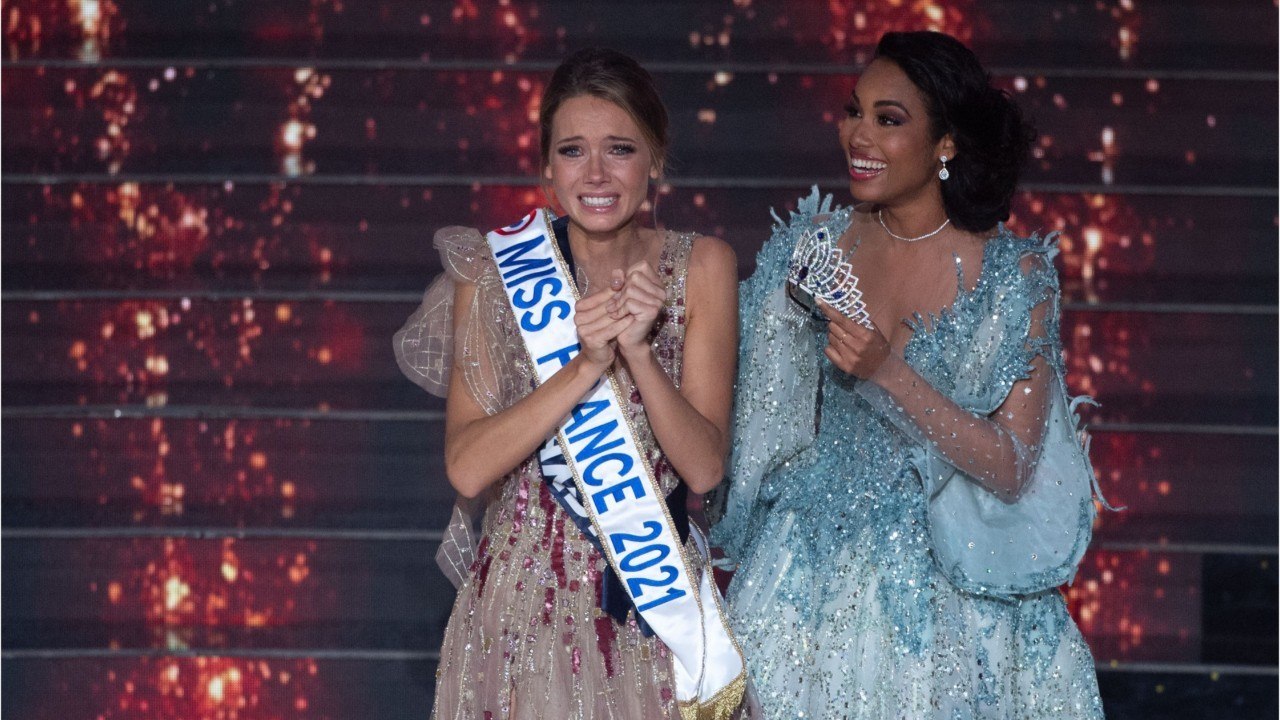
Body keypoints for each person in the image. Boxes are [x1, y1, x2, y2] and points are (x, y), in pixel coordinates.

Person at [713, 31, 1110, 718]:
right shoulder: (809, 251)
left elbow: (1012, 465)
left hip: (951, 592)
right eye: (853, 111)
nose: (857, 135)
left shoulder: (1014, 277)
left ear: (946, 142)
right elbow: (756, 431)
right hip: (800, 577)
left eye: (888, 120)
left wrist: (888, 373)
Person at [394, 48, 743, 719]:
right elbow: (467, 470)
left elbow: (702, 468)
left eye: (619, 149)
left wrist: (638, 353)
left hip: (648, 606)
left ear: (656, 160)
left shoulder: (701, 265)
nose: (597, 173)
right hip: (518, 608)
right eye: (573, 150)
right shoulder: (493, 275)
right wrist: (584, 368)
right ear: (546, 167)